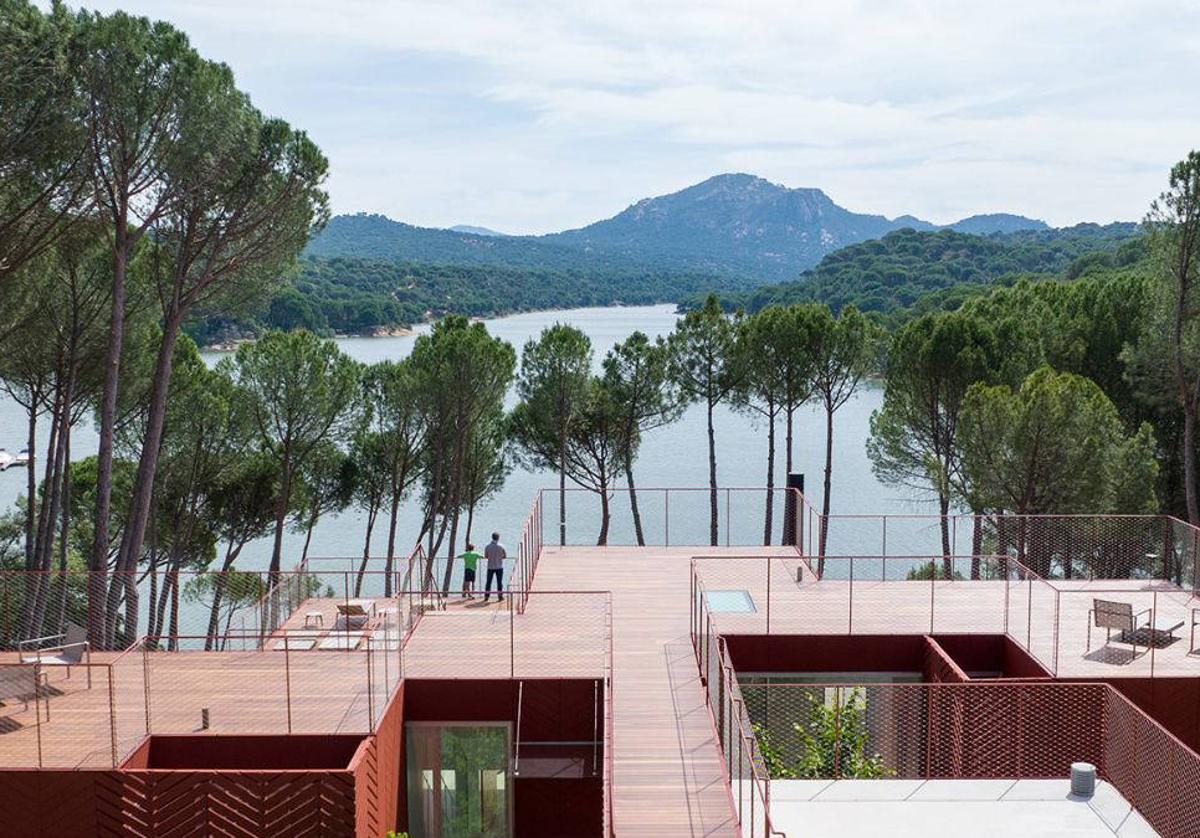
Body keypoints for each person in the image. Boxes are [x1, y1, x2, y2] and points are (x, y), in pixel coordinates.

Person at [483, 531, 507, 602]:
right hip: (499, 566)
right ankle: (500, 596)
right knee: (499, 582)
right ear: (498, 538)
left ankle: (486, 596)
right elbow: (505, 556)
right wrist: (499, 557)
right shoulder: (501, 546)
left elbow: (486, 556)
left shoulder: (487, 546)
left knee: (488, 582)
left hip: (490, 566)